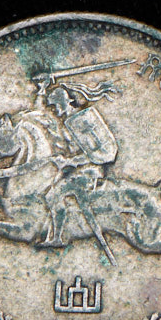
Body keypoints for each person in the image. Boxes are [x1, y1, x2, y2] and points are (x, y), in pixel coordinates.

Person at [37, 82, 119, 247]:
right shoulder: (67, 122)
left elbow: (96, 151)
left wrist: (70, 161)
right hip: (75, 170)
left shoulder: (82, 119)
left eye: (54, 106)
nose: (53, 110)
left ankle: (57, 239)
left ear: (63, 102)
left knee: (52, 195)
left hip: (89, 171)